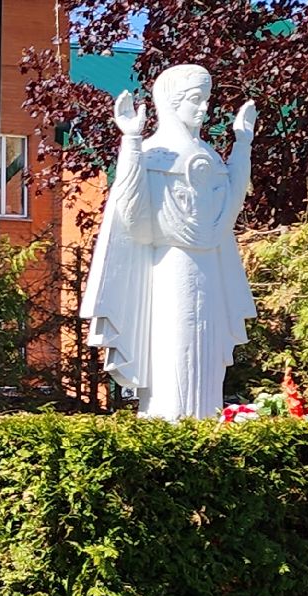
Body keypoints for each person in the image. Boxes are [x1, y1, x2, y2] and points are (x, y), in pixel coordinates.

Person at [80, 64, 258, 421]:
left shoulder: (209, 156)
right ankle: (169, 419)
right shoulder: (154, 153)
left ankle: (205, 421)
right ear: (171, 103)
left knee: (206, 357)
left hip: (210, 268)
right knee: (175, 348)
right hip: (170, 267)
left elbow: (229, 210)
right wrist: (130, 140)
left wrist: (242, 145)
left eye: (206, 100)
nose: (205, 109)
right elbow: (134, 214)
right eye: (196, 100)